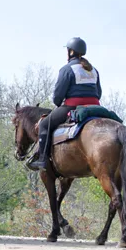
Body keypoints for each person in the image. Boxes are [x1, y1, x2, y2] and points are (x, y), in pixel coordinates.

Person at [27, 37, 101, 171]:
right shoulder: (94, 70)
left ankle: (42, 160)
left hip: (73, 106)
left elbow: (57, 97)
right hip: (95, 107)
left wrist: (59, 102)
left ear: (71, 52)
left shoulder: (67, 69)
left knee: (44, 124)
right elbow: (99, 93)